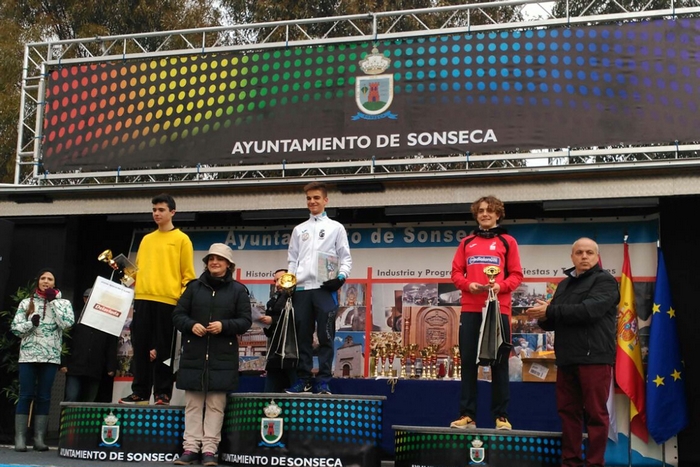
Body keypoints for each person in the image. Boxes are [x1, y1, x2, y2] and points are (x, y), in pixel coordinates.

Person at [526, 238, 619, 467]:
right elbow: (554, 321)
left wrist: (551, 310)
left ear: (597, 257)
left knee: (596, 415)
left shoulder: (605, 281)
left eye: (589, 252)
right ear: (572, 257)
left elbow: (589, 311)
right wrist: (542, 315)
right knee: (568, 414)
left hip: (595, 358)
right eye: (579, 252)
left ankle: (595, 463)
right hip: (567, 359)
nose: (584, 256)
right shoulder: (564, 285)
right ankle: (570, 462)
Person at [172, 243, 252, 466]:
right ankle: (189, 449)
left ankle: (209, 451)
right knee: (193, 405)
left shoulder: (238, 290)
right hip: (194, 355)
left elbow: (245, 321)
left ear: (228, 264)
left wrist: (224, 325)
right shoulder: (194, 288)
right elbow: (178, 315)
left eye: (219, 259)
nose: (214, 262)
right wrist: (191, 325)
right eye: (211, 259)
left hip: (222, 357)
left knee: (216, 405)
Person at [450, 195, 523, 431]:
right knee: (468, 362)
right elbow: (455, 273)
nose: (485, 214)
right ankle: (467, 415)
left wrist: (500, 286)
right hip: (471, 308)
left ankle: (501, 416)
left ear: (498, 214)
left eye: (490, 211)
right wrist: (467, 285)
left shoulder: (507, 241)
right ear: (476, 214)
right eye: (480, 210)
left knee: (499, 363)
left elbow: (516, 275)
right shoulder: (466, 243)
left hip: (497, 309)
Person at [119, 193, 196, 406]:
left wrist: (180, 300)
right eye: (154, 210)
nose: (156, 214)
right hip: (143, 298)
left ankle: (162, 393)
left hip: (168, 301)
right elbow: (136, 271)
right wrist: (124, 271)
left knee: (164, 350)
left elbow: (188, 275)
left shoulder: (181, 239)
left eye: (161, 210)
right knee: (141, 347)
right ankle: (140, 392)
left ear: (172, 212)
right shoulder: (146, 239)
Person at [285, 181, 352, 394]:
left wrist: (341, 277)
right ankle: (303, 379)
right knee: (303, 338)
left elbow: (345, 257)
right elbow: (292, 260)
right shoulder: (299, 229)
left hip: (325, 289)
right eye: (309, 198)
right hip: (303, 290)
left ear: (325, 200)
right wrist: (290, 280)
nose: (312, 201)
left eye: (316, 198)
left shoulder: (336, 227)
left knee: (325, 337)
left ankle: (323, 381)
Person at [11, 268, 74, 452]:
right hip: (28, 355)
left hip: (50, 356)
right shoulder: (26, 302)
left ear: (54, 283)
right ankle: (20, 438)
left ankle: (39, 438)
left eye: (50, 279)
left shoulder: (63, 303)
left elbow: (68, 324)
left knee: (44, 397)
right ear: (38, 281)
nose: (46, 281)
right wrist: (31, 323)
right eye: (43, 278)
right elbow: (15, 328)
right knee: (26, 395)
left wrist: (53, 302)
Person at [61, 288, 118, 402]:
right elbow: (65, 340)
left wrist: (111, 366)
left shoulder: (106, 321)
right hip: (75, 366)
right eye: (89, 298)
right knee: (72, 397)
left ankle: (83, 420)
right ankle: (69, 420)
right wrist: (63, 363)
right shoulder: (74, 317)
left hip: (95, 368)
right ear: (84, 299)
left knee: (89, 402)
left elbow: (111, 344)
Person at [259, 268, 298, 393]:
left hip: (293, 355)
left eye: (280, 280)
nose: (276, 284)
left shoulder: (300, 298)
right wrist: (266, 323)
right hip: (275, 354)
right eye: (275, 281)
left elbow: (297, 322)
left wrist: (273, 320)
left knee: (296, 392)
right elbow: (269, 332)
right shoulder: (272, 301)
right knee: (269, 394)